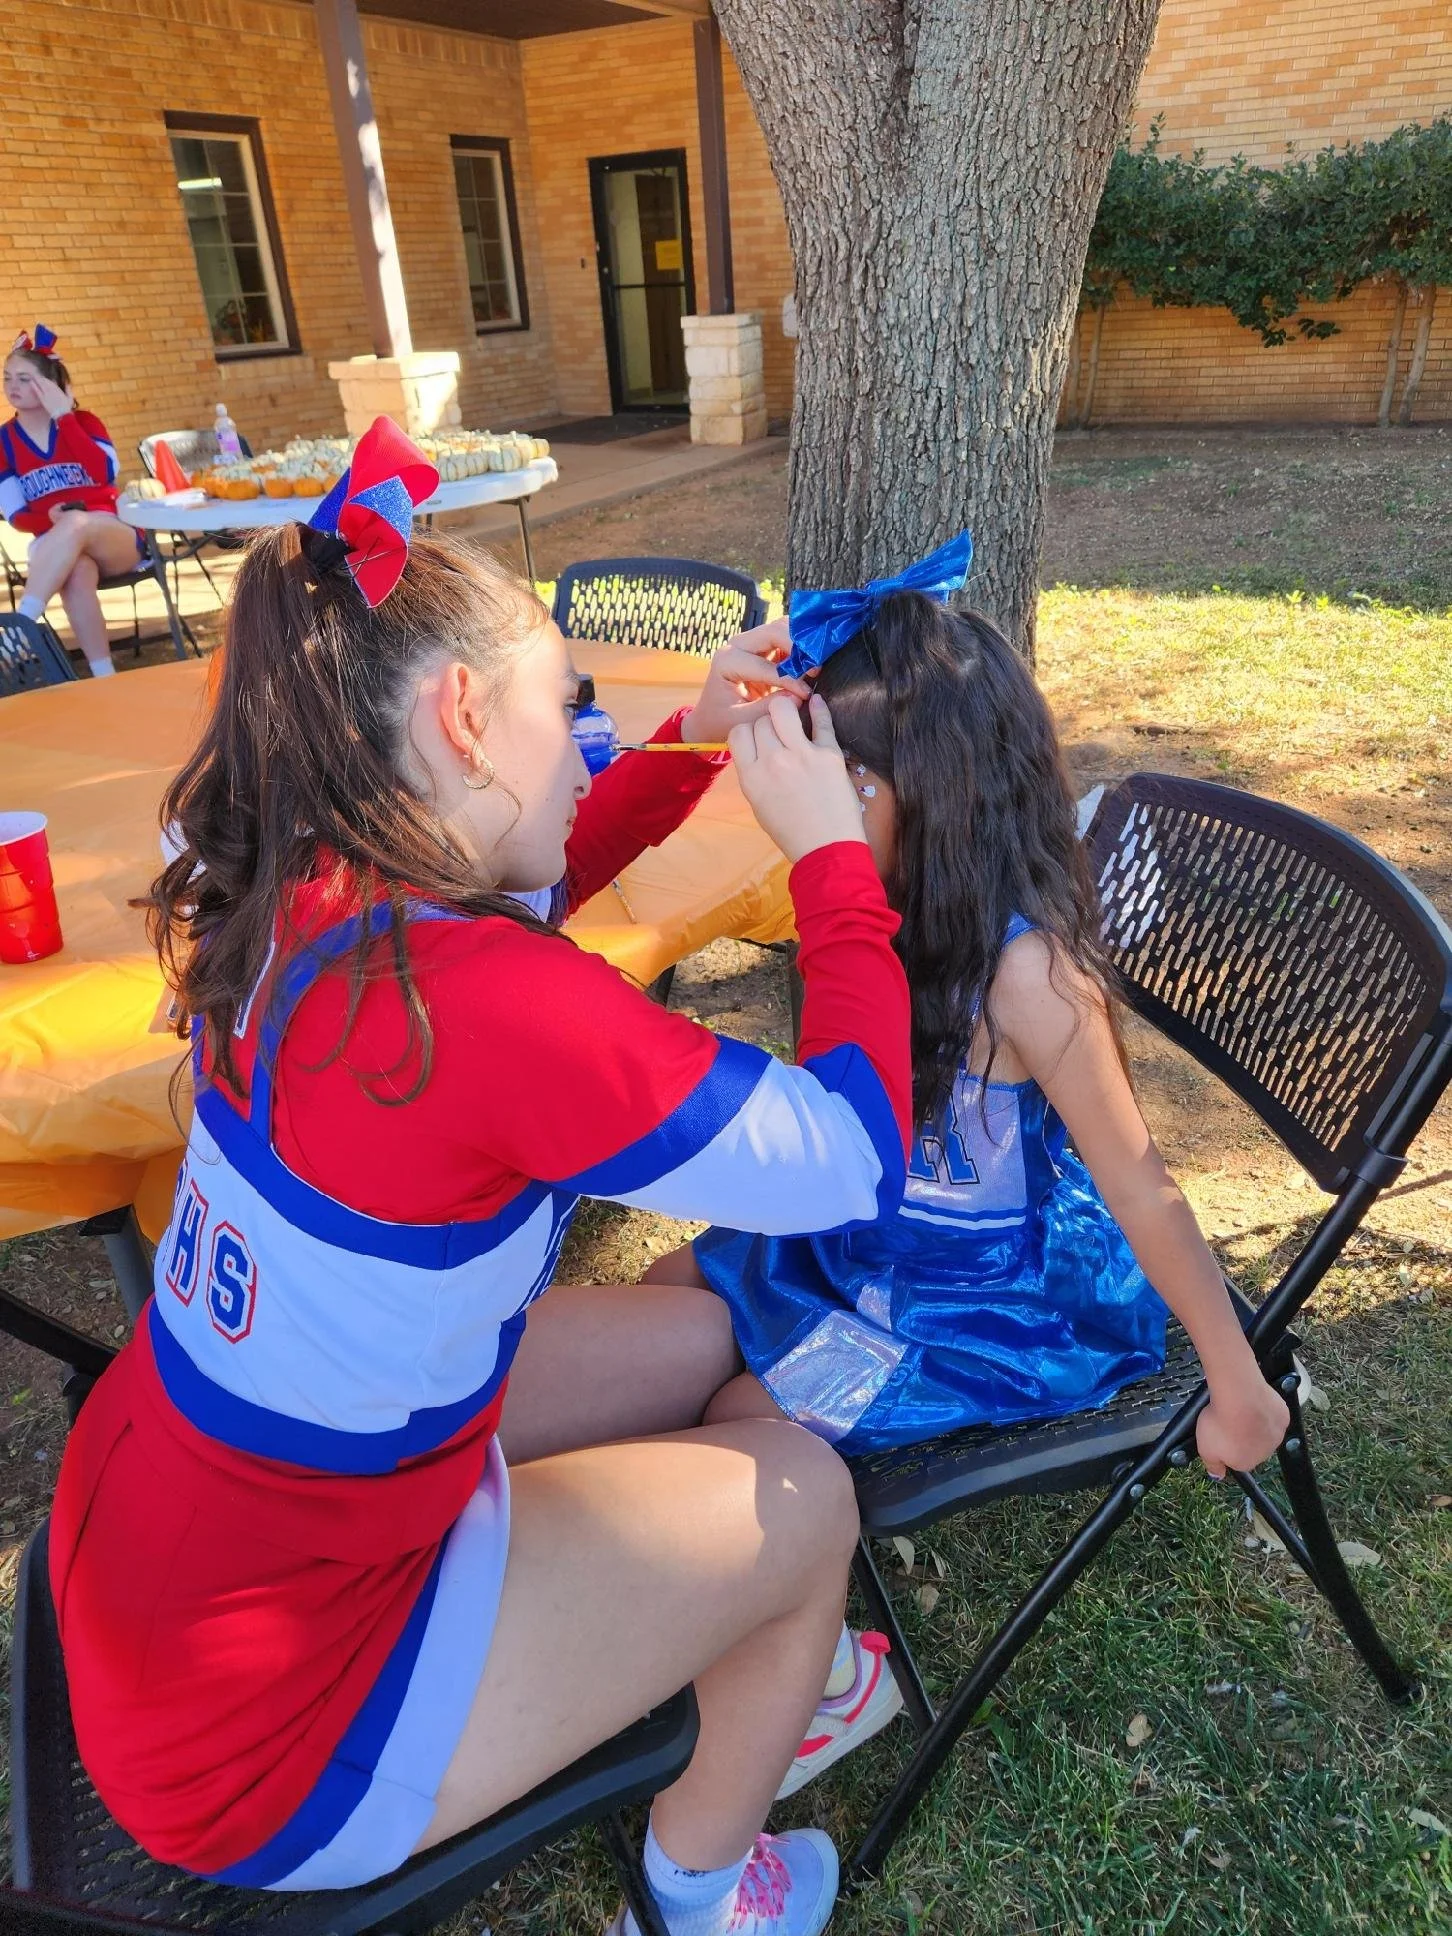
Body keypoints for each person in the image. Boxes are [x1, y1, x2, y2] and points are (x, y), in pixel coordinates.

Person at [48, 419, 913, 1936]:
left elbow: (528, 880)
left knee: (709, 1333)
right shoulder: (482, 1009)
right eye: (564, 712)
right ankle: (704, 1888)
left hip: (174, 1554)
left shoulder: (296, 881)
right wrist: (836, 862)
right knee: (805, 1490)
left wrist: (695, 735)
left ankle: (719, 1627)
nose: (582, 749)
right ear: (460, 717)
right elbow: (847, 1160)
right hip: (262, 1729)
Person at [650, 541, 1291, 1796]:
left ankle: (833, 1679)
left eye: (840, 783)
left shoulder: (1029, 976)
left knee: (734, 1418)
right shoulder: (883, 897)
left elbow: (1144, 1183)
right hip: (872, 1239)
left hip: (976, 1305)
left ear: (910, 794)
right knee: (674, 1293)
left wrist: (1241, 1380)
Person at [1, 325, 139, 677]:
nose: (12, 386)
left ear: (50, 384)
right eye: (7, 378)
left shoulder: (85, 421)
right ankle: (104, 675)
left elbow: (104, 472)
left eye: (24, 378)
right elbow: (16, 514)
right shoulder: (4, 441)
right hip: (55, 547)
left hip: (112, 537)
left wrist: (65, 417)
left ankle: (19, 626)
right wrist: (46, 516)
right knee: (77, 573)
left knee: (76, 522)